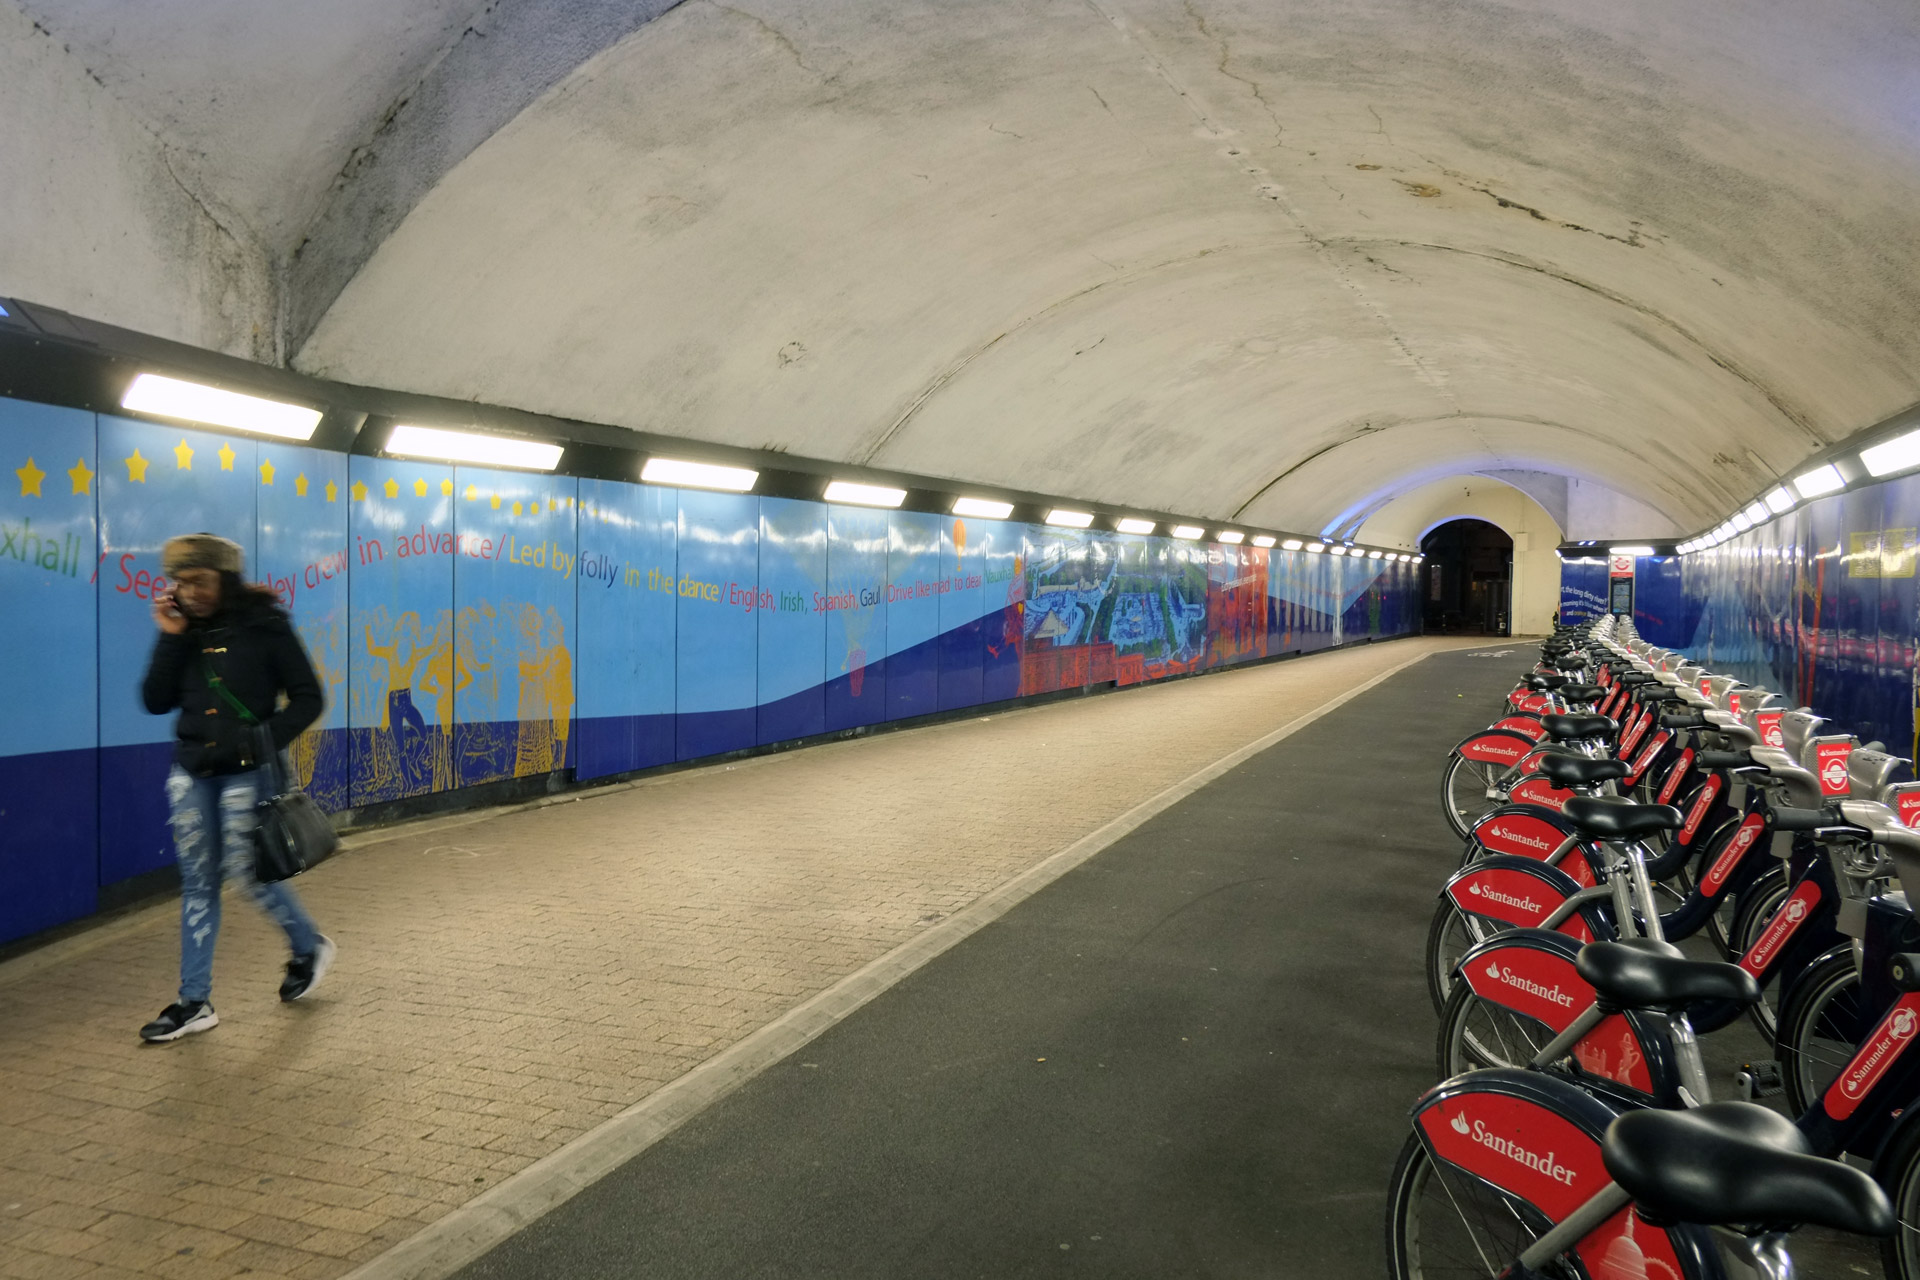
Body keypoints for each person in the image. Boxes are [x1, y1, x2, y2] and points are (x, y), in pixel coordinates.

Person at [137, 533, 335, 1043]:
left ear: (224, 578)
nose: (189, 591)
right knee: (199, 883)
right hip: (192, 770)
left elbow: (309, 698)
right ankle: (194, 1002)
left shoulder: (265, 624)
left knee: (247, 875)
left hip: (248, 769)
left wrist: (262, 740)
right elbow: (155, 700)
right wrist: (169, 634)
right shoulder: (184, 630)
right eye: (180, 582)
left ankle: (307, 946)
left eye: (198, 580)